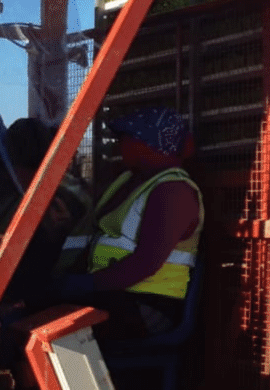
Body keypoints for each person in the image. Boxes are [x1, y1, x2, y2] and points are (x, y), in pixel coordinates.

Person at [57, 107, 201, 341]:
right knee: (40, 303)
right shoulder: (126, 180)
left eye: (127, 138)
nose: (119, 145)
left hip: (149, 305)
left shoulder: (174, 192)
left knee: (56, 319)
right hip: (116, 294)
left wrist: (86, 284)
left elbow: (145, 263)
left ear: (150, 144)